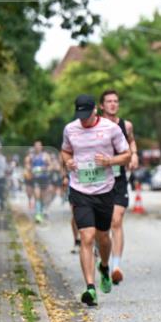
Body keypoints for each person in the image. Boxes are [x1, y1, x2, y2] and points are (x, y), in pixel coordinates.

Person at [61, 94, 131, 307]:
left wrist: (109, 160)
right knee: (86, 236)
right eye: (79, 115)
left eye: (86, 115)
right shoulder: (70, 129)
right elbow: (65, 151)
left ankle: (105, 265)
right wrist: (68, 161)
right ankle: (90, 288)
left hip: (104, 190)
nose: (83, 120)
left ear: (95, 111)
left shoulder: (111, 128)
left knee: (103, 237)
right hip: (80, 189)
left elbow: (126, 155)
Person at [98, 90, 138, 284]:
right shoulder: (96, 125)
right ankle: (104, 256)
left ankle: (116, 266)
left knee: (116, 221)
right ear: (101, 105)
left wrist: (135, 154)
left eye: (116, 101)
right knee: (102, 227)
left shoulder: (126, 125)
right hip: (98, 179)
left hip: (119, 179)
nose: (113, 104)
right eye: (109, 101)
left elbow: (131, 141)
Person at [25, 140, 52, 223]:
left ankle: (42, 209)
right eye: (36, 146)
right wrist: (30, 168)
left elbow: (50, 165)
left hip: (44, 178)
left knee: (43, 197)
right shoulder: (31, 156)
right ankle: (38, 214)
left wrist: (44, 168)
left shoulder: (45, 156)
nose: (37, 147)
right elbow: (27, 164)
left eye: (39, 145)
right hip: (35, 178)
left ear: (41, 147)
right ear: (34, 147)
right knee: (37, 195)